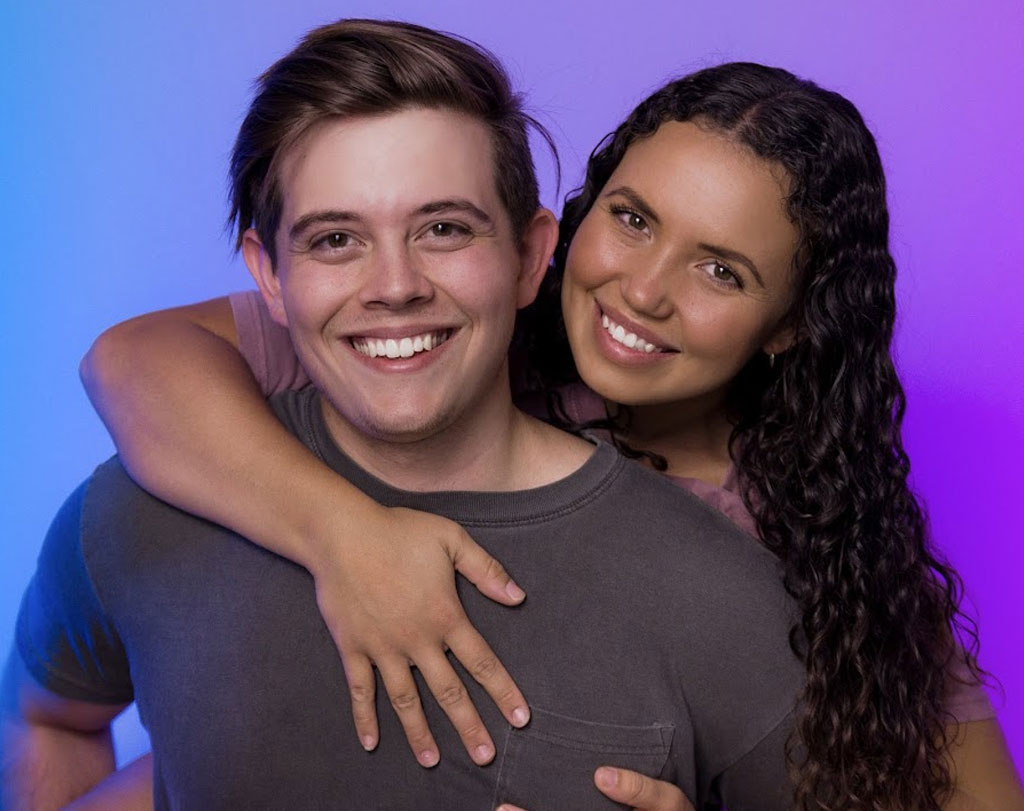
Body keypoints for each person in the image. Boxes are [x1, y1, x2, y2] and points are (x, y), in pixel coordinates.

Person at [77, 52, 1024, 810]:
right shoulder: (436, 335)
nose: (643, 290)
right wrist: (343, 534)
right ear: (570, 221)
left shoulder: (811, 552)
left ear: (789, 324)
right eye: (633, 218)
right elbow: (131, 360)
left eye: (721, 271)